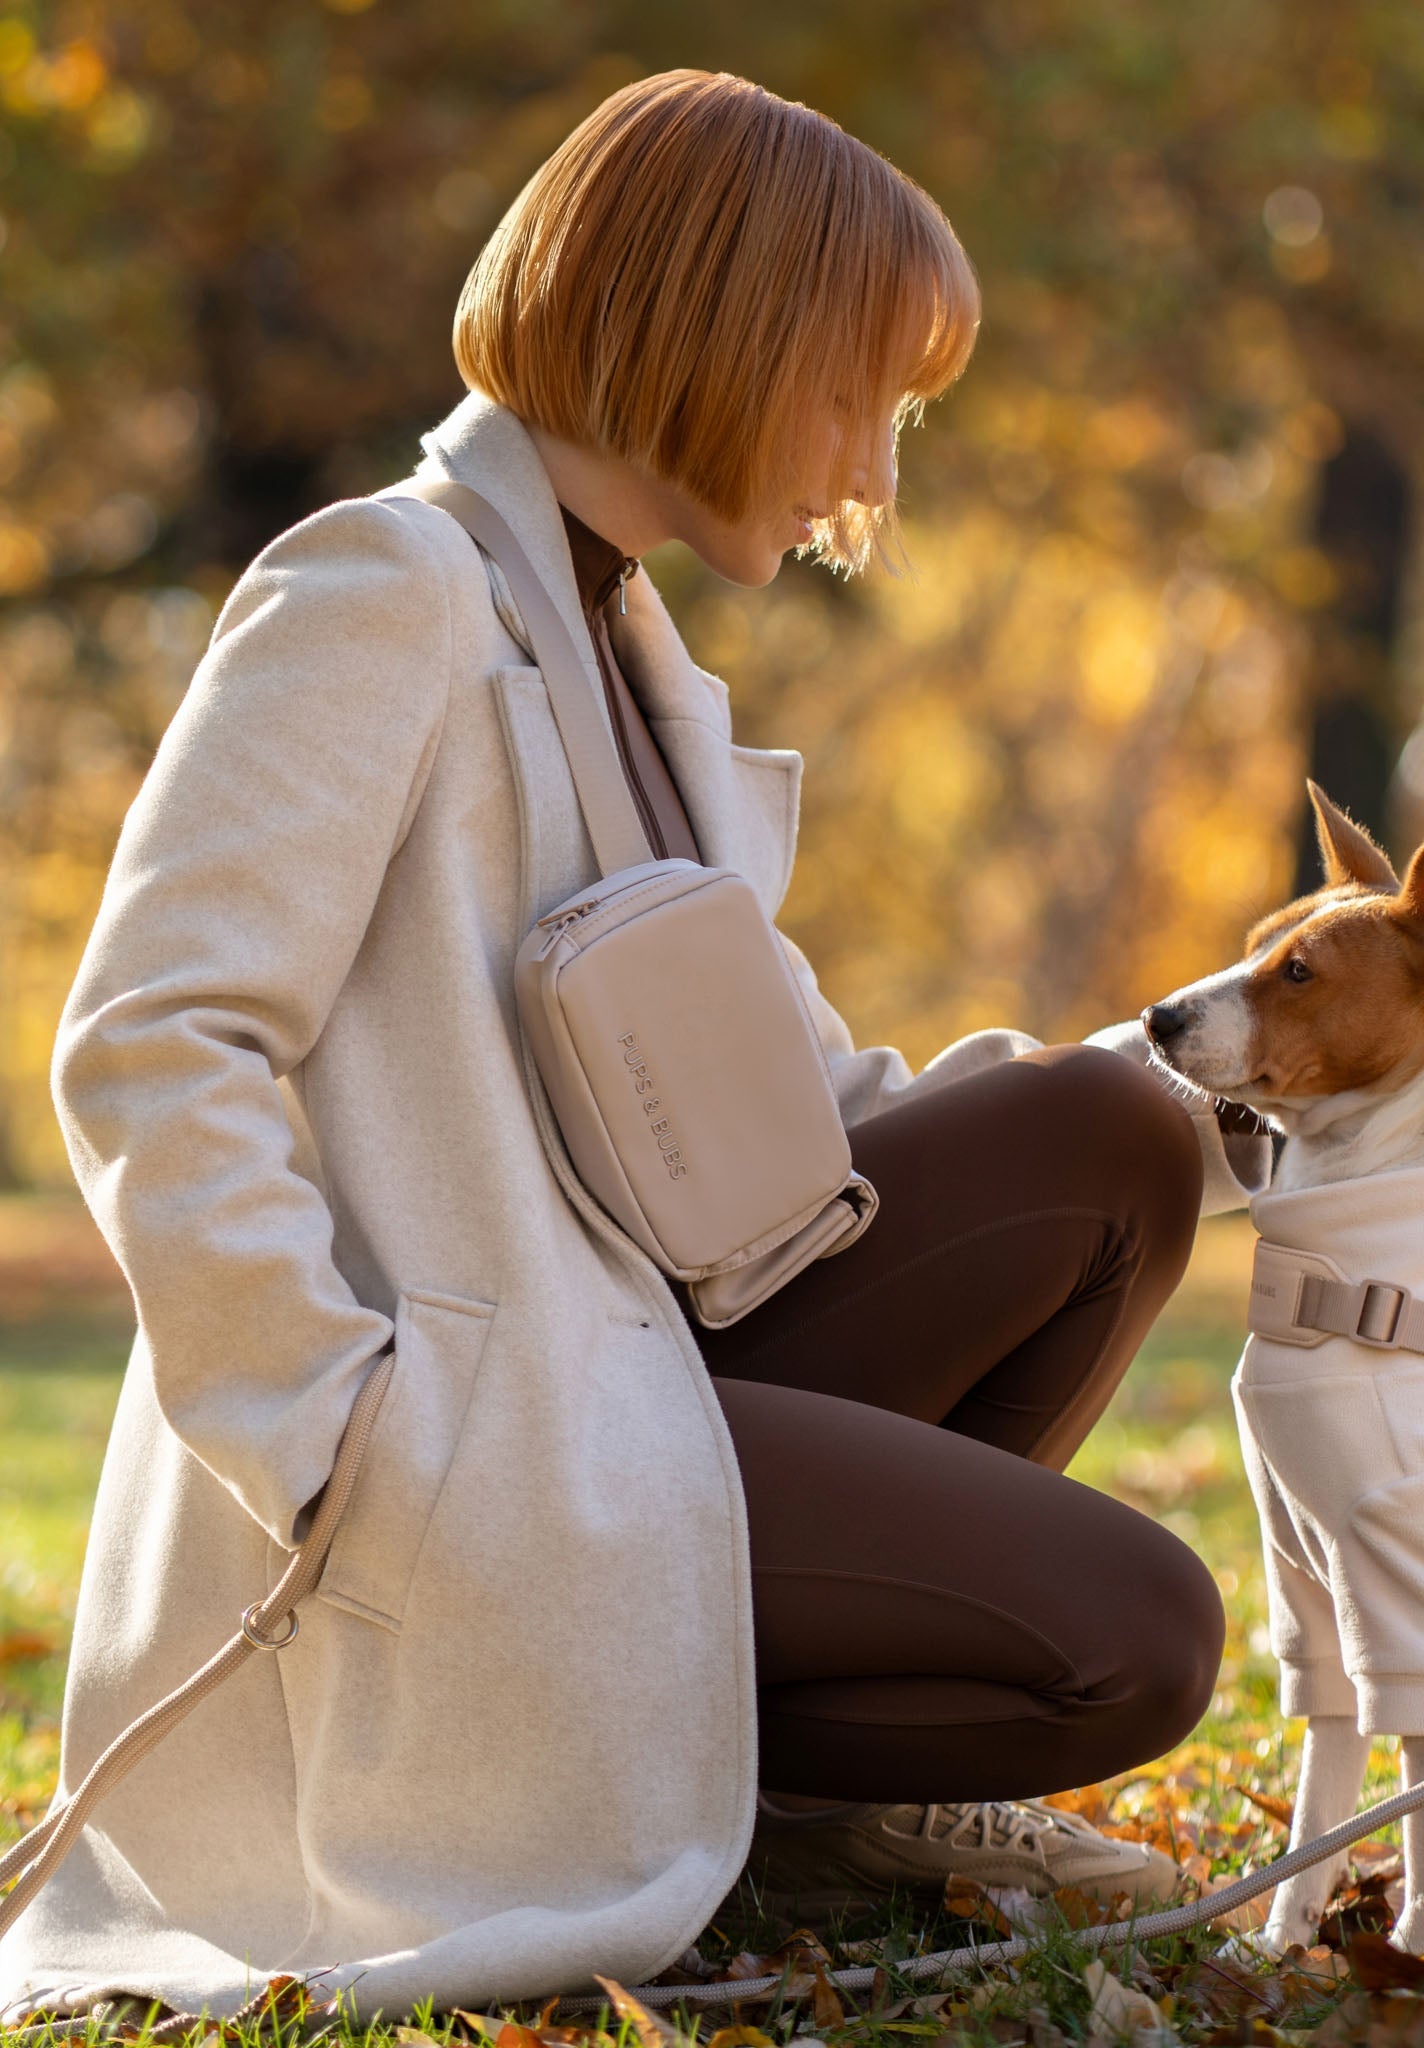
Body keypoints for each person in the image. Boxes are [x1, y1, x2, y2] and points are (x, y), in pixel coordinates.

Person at [0, 71, 1270, 2022]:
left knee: (1116, 1132)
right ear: (719, 339)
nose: (872, 476)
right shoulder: (382, 590)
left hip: (635, 1363)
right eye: (859, 396)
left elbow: (760, 1118)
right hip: (473, 1453)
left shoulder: (624, 650)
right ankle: (778, 1799)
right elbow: (153, 1038)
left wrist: (1224, 1071)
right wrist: (336, 1437)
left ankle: (804, 1816)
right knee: (1136, 1639)